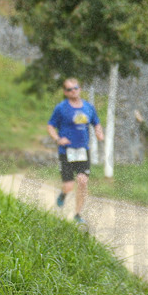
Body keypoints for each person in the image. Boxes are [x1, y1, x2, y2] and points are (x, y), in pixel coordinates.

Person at [47, 78, 104, 225]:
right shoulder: (61, 108)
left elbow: (96, 123)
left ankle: (77, 214)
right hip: (66, 151)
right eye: (69, 89)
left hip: (82, 150)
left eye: (75, 88)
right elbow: (50, 126)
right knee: (69, 186)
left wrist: (99, 133)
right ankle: (63, 194)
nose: (73, 91)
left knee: (83, 181)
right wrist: (58, 139)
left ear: (80, 89)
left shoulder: (88, 107)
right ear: (65, 92)